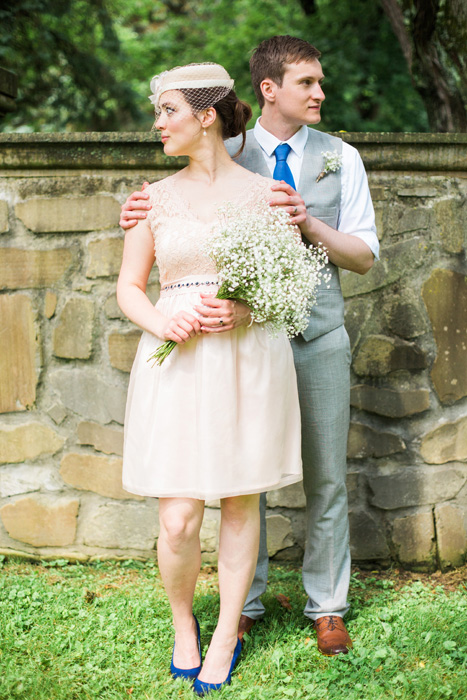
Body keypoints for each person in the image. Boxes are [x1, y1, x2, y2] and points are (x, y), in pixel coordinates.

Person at [120, 36, 380, 658]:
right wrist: (161, 304)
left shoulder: (332, 162)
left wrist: (294, 237)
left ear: (204, 113)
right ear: (266, 90)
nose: (320, 93)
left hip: (289, 339)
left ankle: (323, 607)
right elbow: (138, 270)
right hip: (201, 352)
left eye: (167, 112)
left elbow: (350, 261)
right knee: (212, 500)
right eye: (307, 82)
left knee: (308, 480)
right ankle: (233, 613)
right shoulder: (211, 165)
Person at [116, 62, 302, 695]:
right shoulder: (152, 199)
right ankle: (183, 627)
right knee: (178, 519)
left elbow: (286, 289)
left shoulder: (266, 195)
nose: (156, 122)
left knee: (240, 502)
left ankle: (225, 633)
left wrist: (244, 308)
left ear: (206, 115)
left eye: (167, 109)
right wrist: (163, 322)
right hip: (178, 359)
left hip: (246, 359)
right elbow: (128, 288)